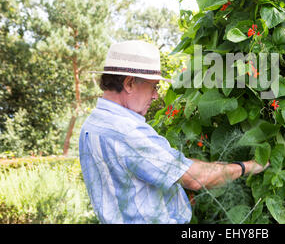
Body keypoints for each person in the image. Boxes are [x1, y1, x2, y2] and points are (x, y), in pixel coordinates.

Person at [79, 40, 269, 224]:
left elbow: (166, 168)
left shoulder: (92, 125)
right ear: (129, 83)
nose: (155, 95)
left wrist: (210, 168)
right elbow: (196, 179)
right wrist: (247, 166)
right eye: (153, 87)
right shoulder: (128, 131)